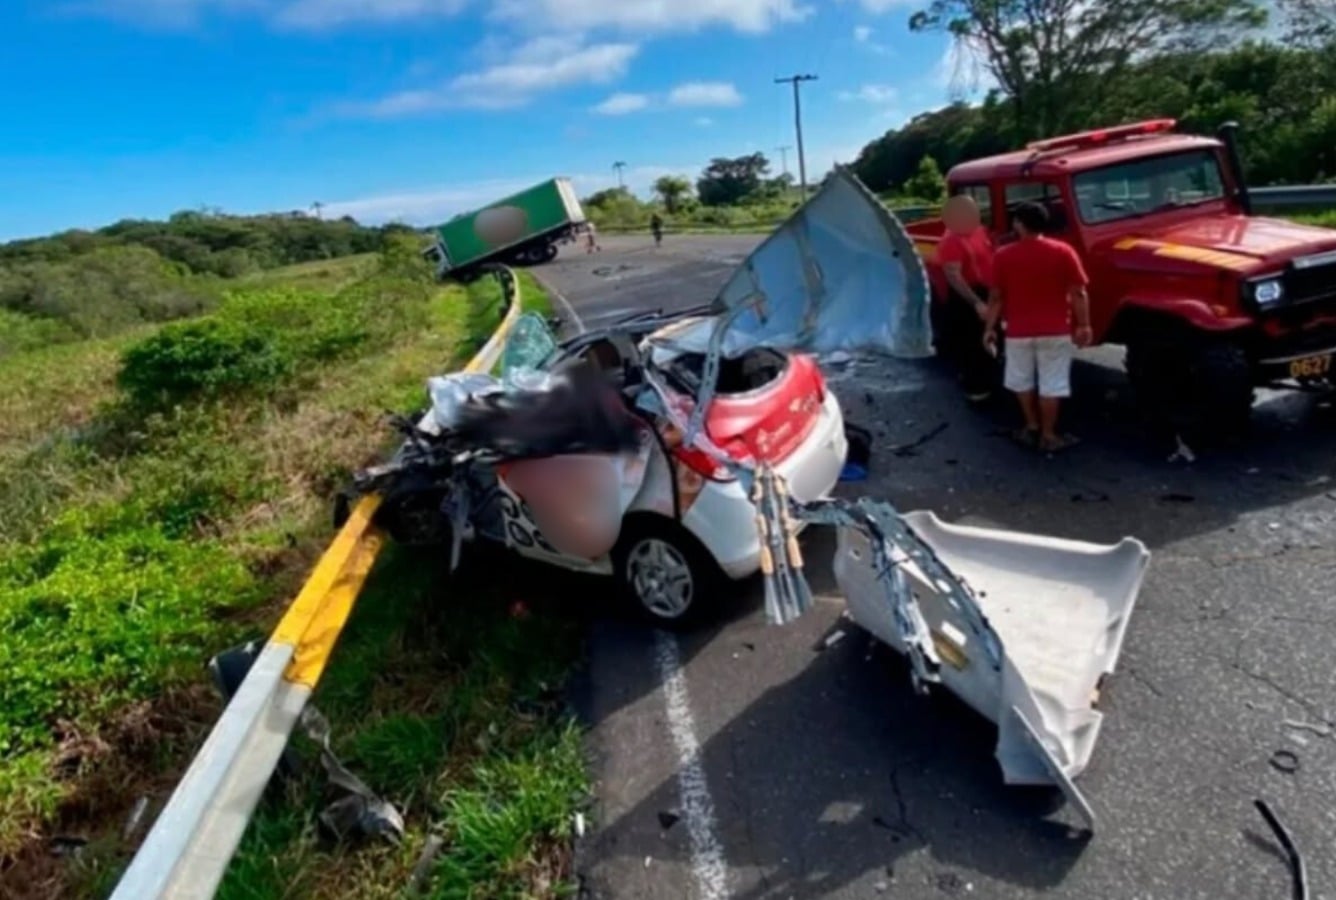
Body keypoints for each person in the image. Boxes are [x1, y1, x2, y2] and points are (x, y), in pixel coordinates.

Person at [982, 201, 1093, 453]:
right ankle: (1049, 435)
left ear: (1019, 224)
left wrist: (989, 328)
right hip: (1055, 329)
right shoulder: (1063, 251)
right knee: (1052, 382)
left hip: (1018, 331)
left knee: (1022, 380)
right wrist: (1084, 325)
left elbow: (997, 297)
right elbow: (1078, 292)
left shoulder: (1004, 255)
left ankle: (1031, 426)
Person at [934, 193, 996, 401]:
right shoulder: (951, 241)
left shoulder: (979, 231)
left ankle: (992, 378)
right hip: (967, 295)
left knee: (991, 336)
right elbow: (954, 275)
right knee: (971, 342)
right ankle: (976, 389)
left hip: (987, 290)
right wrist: (976, 302)